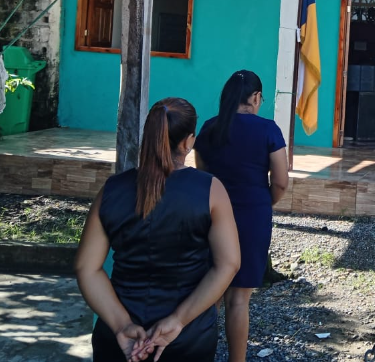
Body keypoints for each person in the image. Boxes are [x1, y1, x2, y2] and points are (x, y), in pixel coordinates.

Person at [75, 98, 241, 362]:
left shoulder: (111, 190)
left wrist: (121, 325)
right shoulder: (211, 190)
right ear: (188, 142)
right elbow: (229, 264)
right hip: (188, 337)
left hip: (118, 340)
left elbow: (86, 268)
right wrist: (178, 320)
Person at [194, 70, 289, 362]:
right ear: (256, 97)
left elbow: (202, 176)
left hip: (212, 217)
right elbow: (281, 181)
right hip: (252, 216)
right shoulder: (268, 129)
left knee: (210, 295)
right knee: (238, 299)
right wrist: (264, 202)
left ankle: (201, 355)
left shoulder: (209, 128)